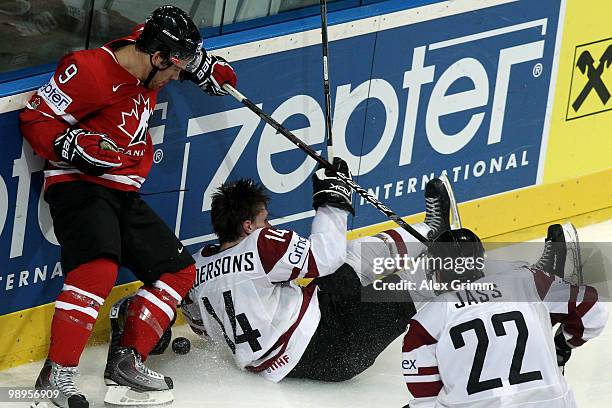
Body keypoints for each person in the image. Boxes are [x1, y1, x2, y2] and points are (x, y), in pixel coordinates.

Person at [19, 5, 237, 408]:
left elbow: (177, 50)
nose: (177, 77)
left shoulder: (150, 44)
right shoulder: (87, 71)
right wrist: (72, 146)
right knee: (98, 268)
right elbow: (36, 119)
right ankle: (57, 373)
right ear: (155, 57)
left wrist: (205, 67)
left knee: (178, 270)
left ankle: (126, 362)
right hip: (79, 184)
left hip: (122, 190)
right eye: (174, 68)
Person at [181, 160, 455, 383]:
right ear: (249, 226)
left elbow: (201, 327)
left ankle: (431, 231)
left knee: (353, 257)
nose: (269, 224)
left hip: (305, 333)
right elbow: (326, 257)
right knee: (402, 288)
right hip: (336, 347)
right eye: (265, 219)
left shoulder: (196, 268)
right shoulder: (260, 246)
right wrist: (332, 201)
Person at [401, 224, 608, 408]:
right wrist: (560, 348)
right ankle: (550, 273)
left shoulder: (424, 324)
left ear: (438, 272)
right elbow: (594, 312)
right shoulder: (528, 281)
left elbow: (425, 398)